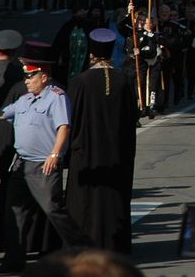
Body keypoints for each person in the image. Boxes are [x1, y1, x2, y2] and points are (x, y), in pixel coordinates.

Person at [0, 43, 92, 275]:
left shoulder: (57, 97)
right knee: (15, 214)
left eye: (30, 76)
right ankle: (13, 261)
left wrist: (55, 154)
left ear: (43, 77)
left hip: (42, 163)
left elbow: (64, 127)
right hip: (21, 163)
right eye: (25, 76)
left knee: (53, 209)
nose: (26, 80)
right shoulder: (25, 100)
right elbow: (1, 114)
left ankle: (86, 253)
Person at [66, 29, 138, 254]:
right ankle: (115, 244)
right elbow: (131, 118)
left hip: (87, 151)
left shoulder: (81, 81)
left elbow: (70, 118)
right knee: (114, 198)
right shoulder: (123, 80)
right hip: (117, 150)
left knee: (86, 201)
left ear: (91, 55)